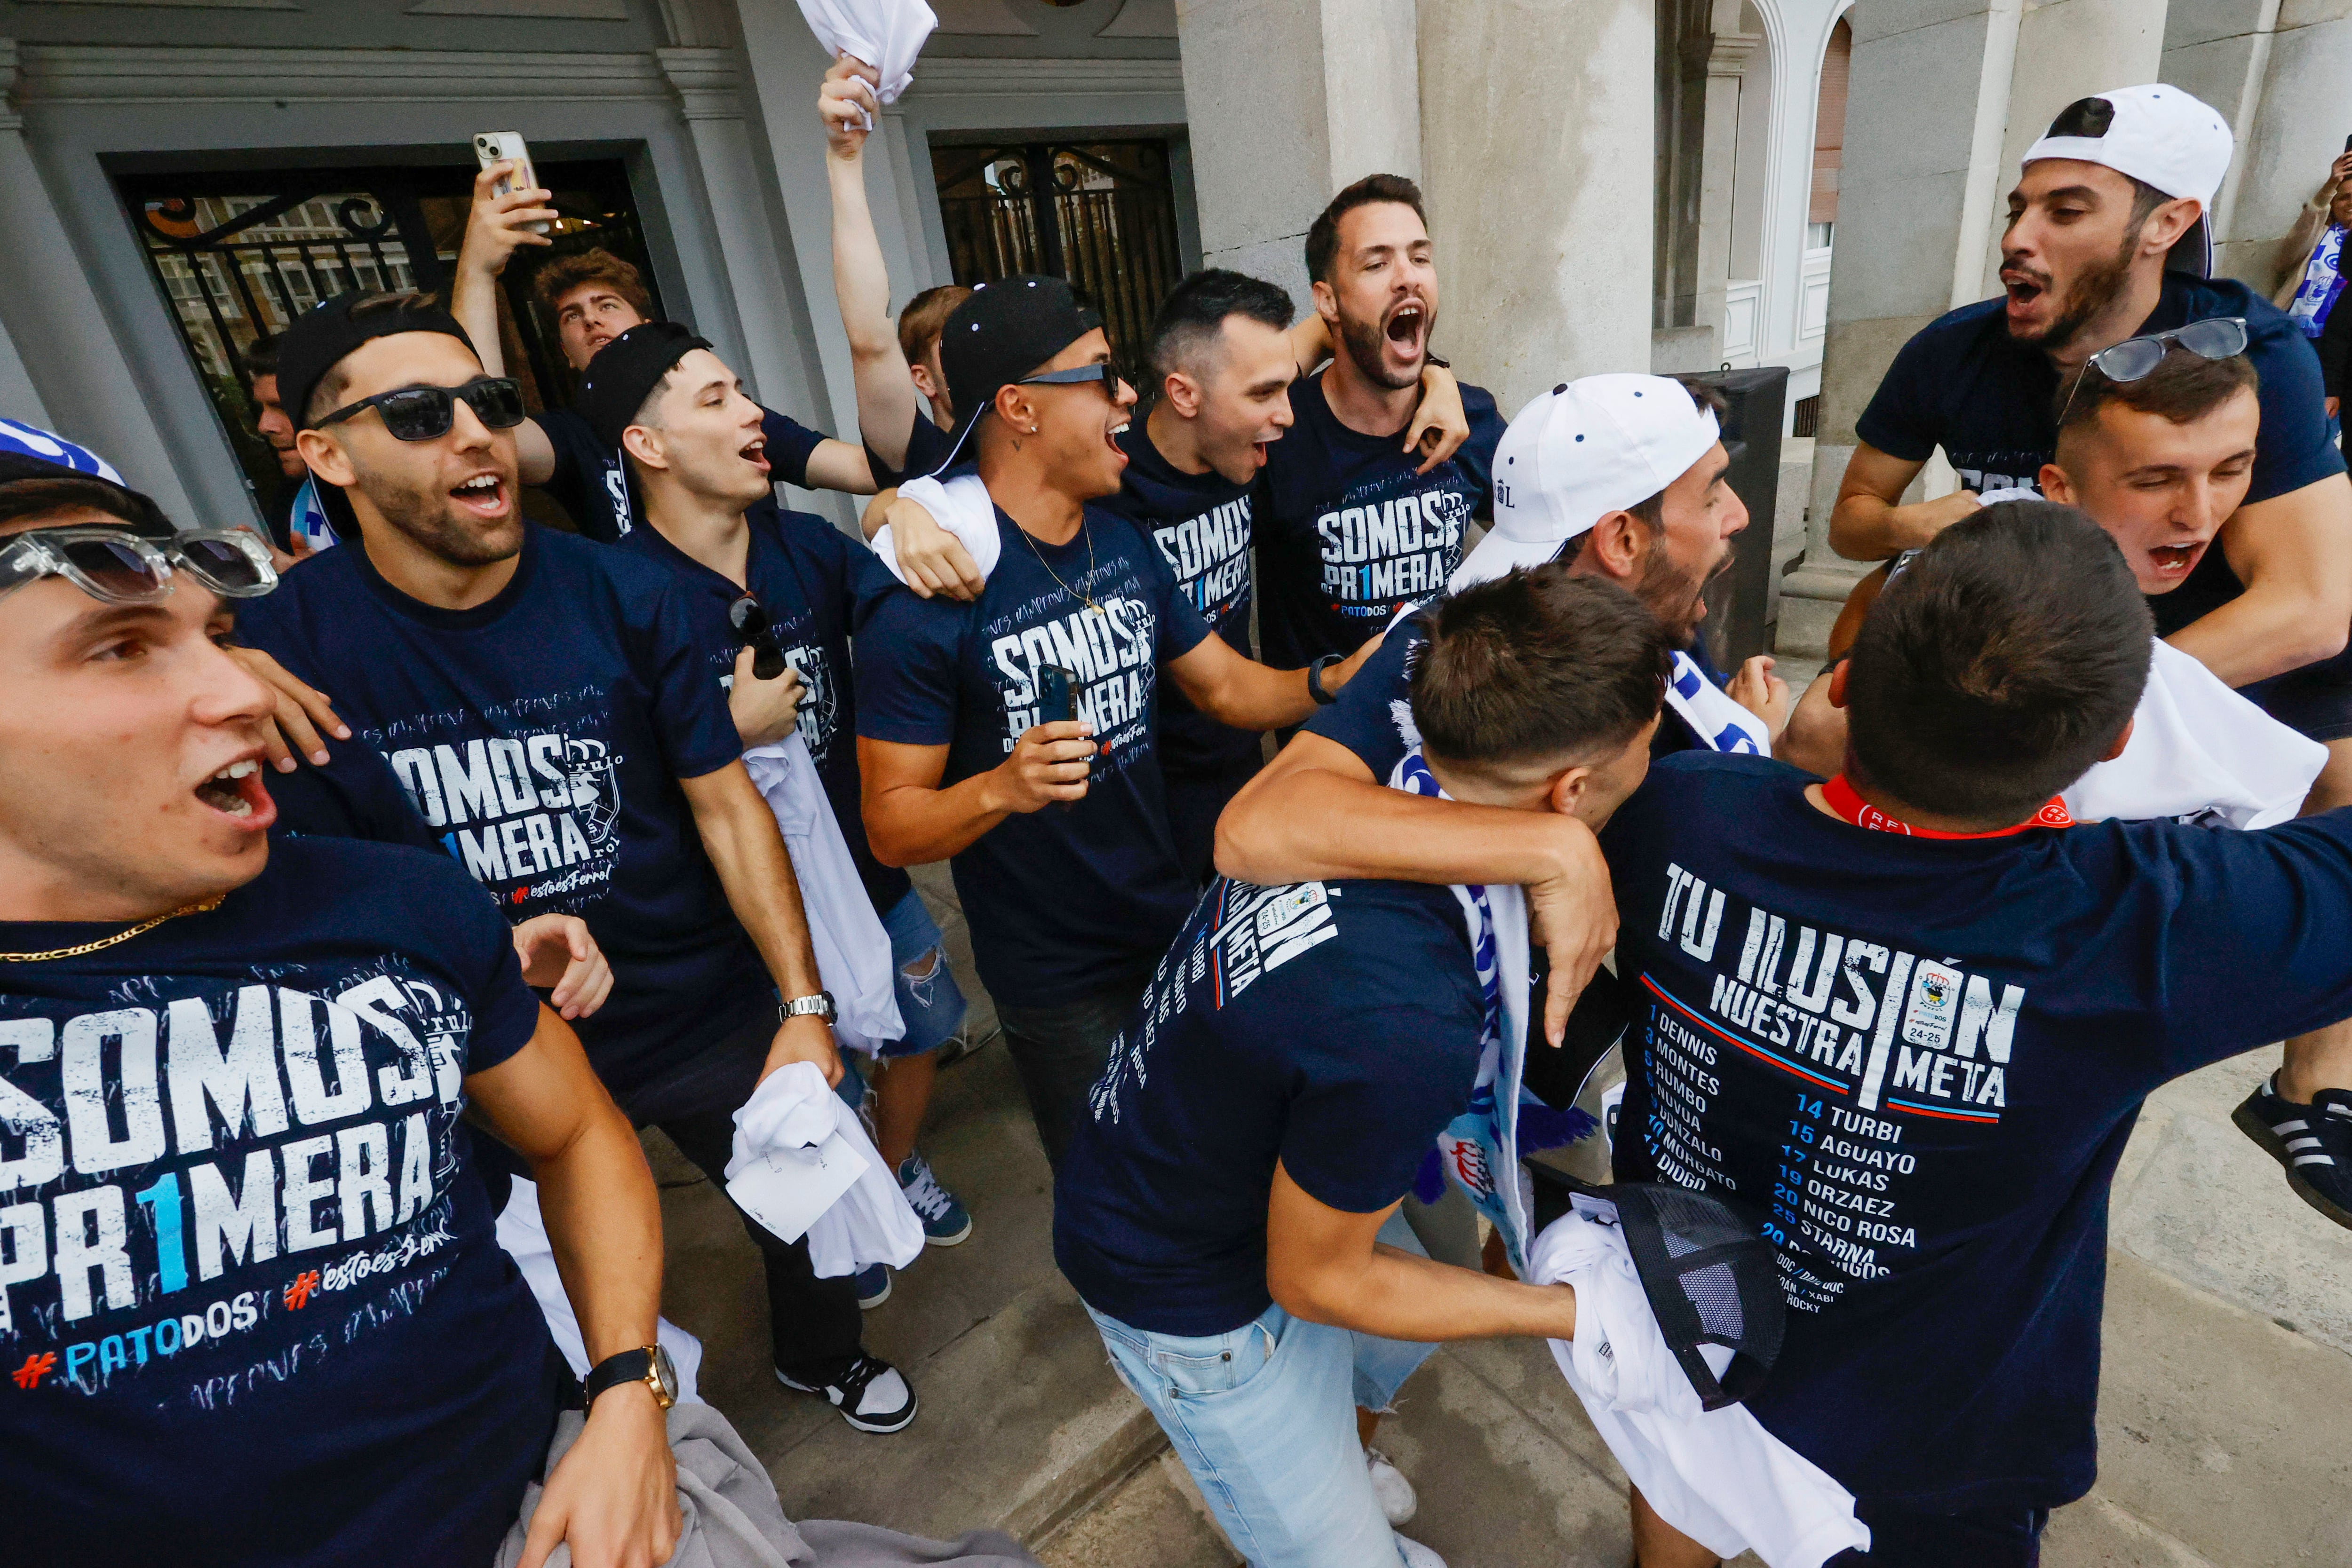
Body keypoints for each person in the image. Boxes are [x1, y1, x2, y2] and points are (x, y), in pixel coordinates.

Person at [1599, 502, 2352, 1567]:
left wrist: (1778, 769)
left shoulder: (1682, 811)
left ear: (1848, 681)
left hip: (1684, 1326)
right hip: (1931, 1452)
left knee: (1681, 1477)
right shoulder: (2142, 929)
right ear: (2116, 743)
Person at [230, 288, 920, 1435]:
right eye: (415, 414)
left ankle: (823, 1355)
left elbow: (726, 804)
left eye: (488, 403)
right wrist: (199, 648)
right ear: (323, 455)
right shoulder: (282, 647)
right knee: (541, 1281)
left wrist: (800, 1003)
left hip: (697, 1009)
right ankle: (623, 1426)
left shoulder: (624, 591)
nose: (471, 434)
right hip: (487, 1049)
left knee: (801, 1209)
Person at [0, 452, 680, 1566]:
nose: (238, 694)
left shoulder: (398, 902)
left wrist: (624, 1397)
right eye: (120, 648)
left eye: (216, 636)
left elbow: (575, 1132)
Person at [1054, 568, 1666, 1568]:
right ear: (1571, 790)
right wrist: (1572, 1311)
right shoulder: (1405, 1021)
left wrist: (1549, 845)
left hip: (1218, 1146)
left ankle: (1333, 1451)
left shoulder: (1398, 731)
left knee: (1400, 1326)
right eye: (1647, 749)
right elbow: (1314, 1277)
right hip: (1190, 1291)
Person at [853, 275, 1383, 1167]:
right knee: (1117, 1183)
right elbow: (890, 823)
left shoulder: (1122, 537)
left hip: (1170, 914)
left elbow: (1223, 688)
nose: (1127, 393)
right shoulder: (931, 591)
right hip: (1056, 976)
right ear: (1019, 407)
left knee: (1213, 1141)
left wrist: (1338, 677)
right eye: (1100, 376)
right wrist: (1000, 786)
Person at [582, 319, 976, 1298]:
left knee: (922, 1032)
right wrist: (729, 730)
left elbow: (919, 580)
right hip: (743, 920)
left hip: (869, 877)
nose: (754, 412)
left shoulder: (806, 546)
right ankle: (845, 1217)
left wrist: (895, 510)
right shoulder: (614, 595)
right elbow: (614, 789)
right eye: (714, 399)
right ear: (649, 445)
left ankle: (893, 1163)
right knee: (814, 1078)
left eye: (743, 389)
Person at [1831, 86, 2350, 700]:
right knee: (1820, 728)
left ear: (2166, 225)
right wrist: (1904, 525)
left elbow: (2311, 609)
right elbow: (1851, 524)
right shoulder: (1951, 351)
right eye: (2016, 211)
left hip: (2209, 662)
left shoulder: (2256, 352)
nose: (2016, 239)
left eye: (2066, 213)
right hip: (2018, 638)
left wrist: (2084, 708)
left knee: (2335, 779)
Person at [448, 162, 874, 541]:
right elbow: (484, 424)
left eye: (608, 306)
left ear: (646, 327)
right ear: (566, 354)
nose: (591, 321)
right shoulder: (570, 437)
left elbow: (863, 469)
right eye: (571, 317)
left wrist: (901, 505)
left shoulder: (732, 417)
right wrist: (478, 270)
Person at [1252, 172, 1505, 670]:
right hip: (1329, 738)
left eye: (1420, 257)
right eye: (1376, 263)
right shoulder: (1279, 433)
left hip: (1451, 733)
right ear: (1327, 300)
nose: (1407, 276)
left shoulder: (1469, 416)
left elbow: (1549, 539)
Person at [2270, 145, 2352, 338]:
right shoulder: (2321, 235)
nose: (2351, 204)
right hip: (2298, 336)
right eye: (2344, 198)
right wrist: (2331, 185)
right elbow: (2284, 261)